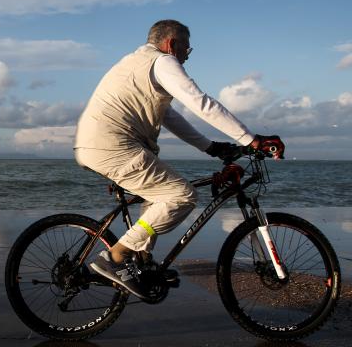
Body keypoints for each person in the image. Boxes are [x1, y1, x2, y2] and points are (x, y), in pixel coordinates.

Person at [73, 20, 284, 300]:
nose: (187, 55)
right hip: (113, 146)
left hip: (101, 145)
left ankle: (142, 263)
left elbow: (170, 117)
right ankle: (115, 257)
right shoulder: (162, 62)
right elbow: (201, 103)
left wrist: (211, 147)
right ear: (171, 44)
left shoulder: (138, 63)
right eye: (186, 48)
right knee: (181, 196)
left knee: (159, 198)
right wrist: (250, 139)